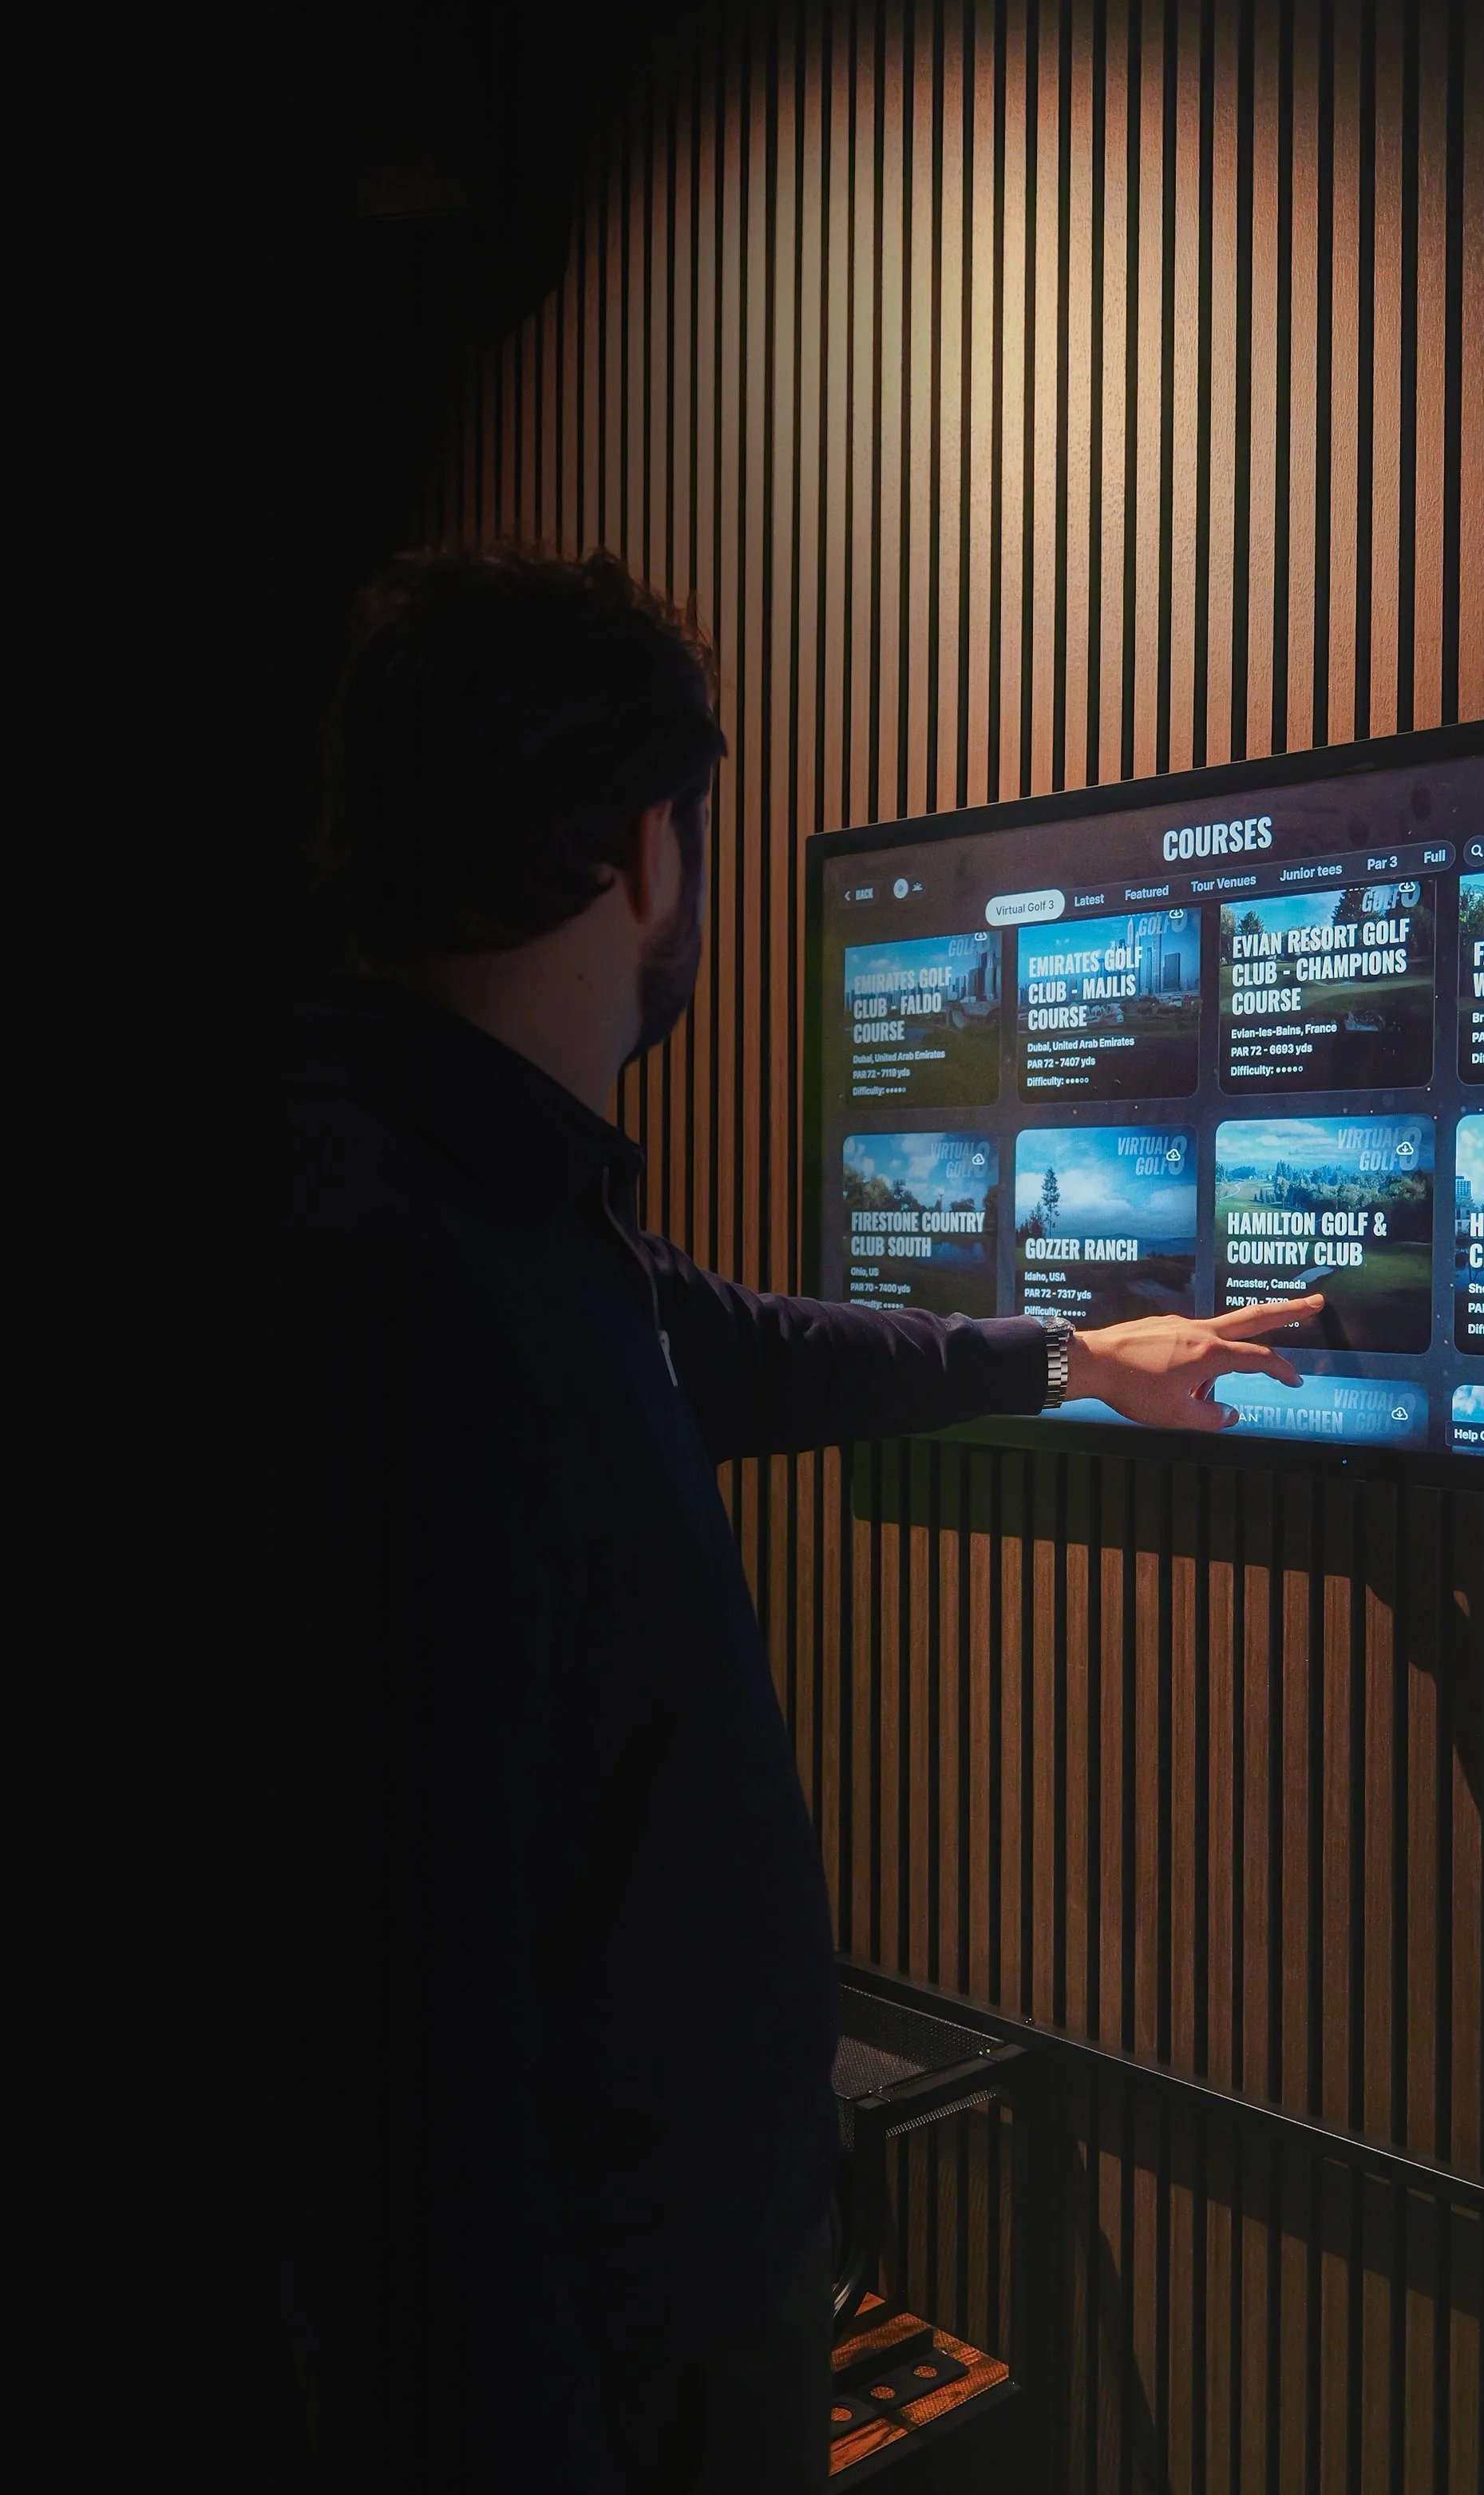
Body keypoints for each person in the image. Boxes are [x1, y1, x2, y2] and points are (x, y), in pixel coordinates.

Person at [275, 545, 1319, 2493]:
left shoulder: (484, 1207)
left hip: (676, 2301)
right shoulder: (393, 1275)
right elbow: (383, 2050)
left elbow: (740, 1348)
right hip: (593, 2366)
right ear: (649, 854)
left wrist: (1073, 1356)